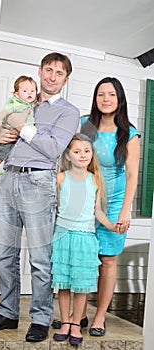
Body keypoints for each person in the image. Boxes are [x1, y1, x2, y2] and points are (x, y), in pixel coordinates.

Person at [0, 52, 80, 342]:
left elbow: (52, 149)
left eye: (59, 73)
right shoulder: (23, 103)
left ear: (65, 80)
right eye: (48, 70)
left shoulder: (68, 112)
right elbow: (0, 136)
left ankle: (40, 318)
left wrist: (22, 128)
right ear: (40, 71)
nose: (51, 76)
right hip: (9, 178)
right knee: (5, 255)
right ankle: (8, 312)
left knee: (39, 258)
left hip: (38, 183)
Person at [80, 77, 141, 336]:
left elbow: (131, 175)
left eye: (111, 95)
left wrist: (125, 210)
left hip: (114, 202)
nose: (105, 99)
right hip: (84, 199)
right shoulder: (87, 125)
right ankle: (79, 315)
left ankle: (100, 317)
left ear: (120, 99)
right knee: (82, 258)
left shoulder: (129, 133)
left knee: (107, 259)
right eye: (101, 94)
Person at [51, 133, 121, 345]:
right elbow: (55, 207)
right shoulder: (61, 178)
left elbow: (97, 212)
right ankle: (64, 322)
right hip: (63, 236)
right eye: (77, 151)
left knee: (81, 286)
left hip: (85, 238)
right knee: (63, 284)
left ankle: (75, 325)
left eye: (86, 151)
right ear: (68, 155)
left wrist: (112, 225)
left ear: (92, 154)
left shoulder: (95, 179)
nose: (82, 155)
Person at [0, 75, 37, 175]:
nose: (29, 93)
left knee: (14, 148)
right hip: (10, 132)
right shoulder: (16, 104)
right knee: (7, 147)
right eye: (25, 91)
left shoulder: (28, 103)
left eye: (32, 91)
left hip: (19, 133)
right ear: (17, 94)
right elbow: (5, 111)